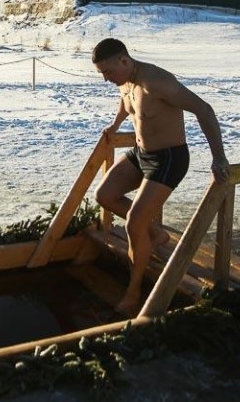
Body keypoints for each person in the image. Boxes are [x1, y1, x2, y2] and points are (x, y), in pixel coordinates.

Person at [90, 38, 230, 316]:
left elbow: (204, 110)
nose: (106, 79)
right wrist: (115, 124)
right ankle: (154, 234)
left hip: (169, 158)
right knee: (104, 195)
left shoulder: (156, 81)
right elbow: (125, 101)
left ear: (124, 61)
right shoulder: (125, 80)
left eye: (108, 72)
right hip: (142, 153)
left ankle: (133, 293)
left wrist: (219, 157)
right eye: (101, 74)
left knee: (133, 224)